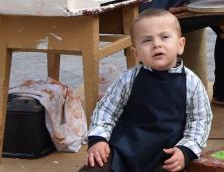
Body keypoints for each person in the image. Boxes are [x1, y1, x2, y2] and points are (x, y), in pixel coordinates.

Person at [82, 9, 211, 172]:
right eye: (147, 40)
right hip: (123, 150)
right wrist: (98, 139)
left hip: (165, 155)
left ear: (180, 45)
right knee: (95, 166)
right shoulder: (128, 79)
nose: (157, 44)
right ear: (136, 53)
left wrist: (186, 150)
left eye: (165, 37)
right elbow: (106, 110)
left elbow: (200, 121)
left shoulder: (192, 83)